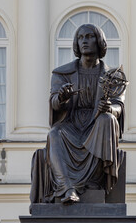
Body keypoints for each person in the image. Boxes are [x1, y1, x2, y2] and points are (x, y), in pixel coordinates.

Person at [30, 24, 126, 206]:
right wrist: (62, 98)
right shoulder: (62, 73)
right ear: (76, 43)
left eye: (89, 37)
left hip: (97, 125)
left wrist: (109, 109)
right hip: (71, 125)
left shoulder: (113, 75)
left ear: (100, 42)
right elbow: (54, 103)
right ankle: (67, 188)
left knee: (108, 120)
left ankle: (95, 182)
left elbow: (118, 105)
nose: (84, 41)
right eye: (81, 37)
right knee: (54, 134)